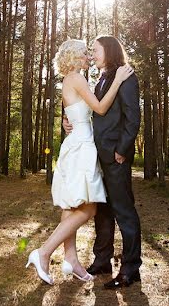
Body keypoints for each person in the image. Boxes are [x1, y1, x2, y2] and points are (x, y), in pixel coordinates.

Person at [26, 39, 134, 285]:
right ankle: (43, 252)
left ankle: (71, 259)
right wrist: (117, 80)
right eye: (85, 54)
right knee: (88, 208)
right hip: (82, 147)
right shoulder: (77, 78)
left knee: (71, 206)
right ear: (75, 57)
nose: (89, 58)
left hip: (76, 143)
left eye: (90, 53)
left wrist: (67, 125)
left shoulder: (70, 80)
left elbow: (72, 115)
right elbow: (100, 109)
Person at [64, 35, 142, 289]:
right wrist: (68, 124)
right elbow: (92, 113)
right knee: (103, 212)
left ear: (108, 50)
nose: (92, 55)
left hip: (116, 156)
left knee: (124, 211)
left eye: (95, 51)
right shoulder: (100, 80)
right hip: (97, 156)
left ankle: (131, 268)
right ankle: (102, 261)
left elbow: (132, 117)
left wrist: (122, 149)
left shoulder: (126, 76)